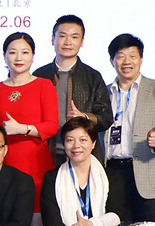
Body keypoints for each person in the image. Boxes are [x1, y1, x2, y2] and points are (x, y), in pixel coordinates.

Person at [104, 34, 155, 224]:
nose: (127, 61)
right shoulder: (104, 92)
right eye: (120, 56)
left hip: (148, 171)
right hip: (112, 172)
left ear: (141, 59)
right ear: (112, 61)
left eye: (132, 56)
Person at [0, 31, 59, 211]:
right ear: (4, 56)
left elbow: (52, 126)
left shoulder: (44, 85)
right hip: (4, 162)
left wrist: (22, 128)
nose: (19, 57)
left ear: (33, 56)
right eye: (12, 52)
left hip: (35, 162)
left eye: (25, 52)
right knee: (6, 215)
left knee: (36, 218)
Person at [34, 14, 113, 164]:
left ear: (81, 42)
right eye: (62, 36)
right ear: (53, 39)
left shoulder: (92, 76)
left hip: (81, 155)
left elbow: (106, 118)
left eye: (74, 37)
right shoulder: (39, 75)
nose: (68, 42)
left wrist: (85, 116)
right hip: (45, 153)